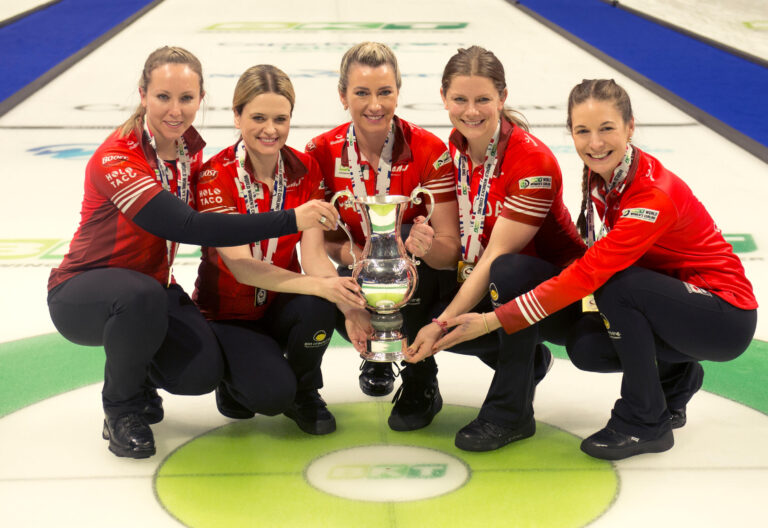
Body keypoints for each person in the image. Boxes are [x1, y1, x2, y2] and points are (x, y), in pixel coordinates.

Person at [426, 78, 758, 460]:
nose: (595, 143)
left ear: (630, 127)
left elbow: (591, 273)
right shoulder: (603, 174)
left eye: (607, 129)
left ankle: (644, 421)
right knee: (586, 347)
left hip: (722, 315)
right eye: (583, 131)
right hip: (669, 304)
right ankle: (676, 376)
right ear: (571, 132)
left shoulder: (652, 194)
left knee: (618, 285)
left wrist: (490, 321)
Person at [46, 46, 338, 459]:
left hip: (151, 291)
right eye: (163, 96)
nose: (175, 109)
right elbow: (187, 227)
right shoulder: (118, 157)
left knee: (201, 372)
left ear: (201, 100)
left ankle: (143, 372)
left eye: (186, 98)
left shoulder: (188, 154)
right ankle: (121, 410)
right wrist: (291, 218)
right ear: (142, 93)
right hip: (82, 293)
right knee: (138, 296)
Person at [406, 46, 587, 452]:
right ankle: (420, 386)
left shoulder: (532, 161)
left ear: (502, 98)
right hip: (486, 283)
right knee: (412, 251)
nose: (471, 111)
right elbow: (455, 249)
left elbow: (493, 260)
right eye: (460, 99)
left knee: (508, 271)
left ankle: (512, 414)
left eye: (483, 99)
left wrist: (440, 324)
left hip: (557, 294)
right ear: (443, 97)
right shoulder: (446, 153)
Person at [192, 64, 371, 436]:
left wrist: (348, 308)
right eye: (257, 117)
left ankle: (306, 391)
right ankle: (233, 374)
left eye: (280, 118)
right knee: (270, 397)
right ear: (237, 116)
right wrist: (319, 286)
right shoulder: (215, 175)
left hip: (277, 305)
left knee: (321, 302)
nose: (270, 130)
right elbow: (242, 268)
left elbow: (315, 257)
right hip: (227, 315)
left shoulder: (304, 170)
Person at [305, 42, 461, 426]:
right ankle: (369, 356)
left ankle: (421, 379)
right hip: (356, 266)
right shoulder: (320, 151)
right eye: (362, 93)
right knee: (332, 289)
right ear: (343, 95)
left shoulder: (429, 149)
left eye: (384, 92)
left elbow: (451, 245)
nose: (375, 104)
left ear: (398, 91)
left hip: (419, 274)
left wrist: (418, 249)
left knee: (406, 247)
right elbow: (319, 238)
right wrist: (357, 257)